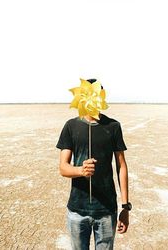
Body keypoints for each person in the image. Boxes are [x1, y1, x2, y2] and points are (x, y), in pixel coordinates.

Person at [56, 79, 131, 250]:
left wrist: (125, 207)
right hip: (77, 210)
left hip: (106, 210)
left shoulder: (113, 126)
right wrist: (80, 170)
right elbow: (63, 167)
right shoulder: (71, 126)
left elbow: (122, 167)